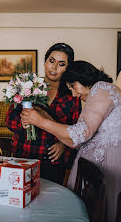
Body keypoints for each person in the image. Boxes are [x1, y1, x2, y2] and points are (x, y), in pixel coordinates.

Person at [20, 60, 121, 222]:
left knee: (107, 213)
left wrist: (40, 121)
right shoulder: (99, 91)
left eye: (72, 86)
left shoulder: (101, 89)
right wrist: (45, 118)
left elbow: (80, 134)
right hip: (103, 158)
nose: (74, 93)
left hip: (111, 160)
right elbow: (74, 141)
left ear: (82, 78)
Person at [6, 43, 81, 185]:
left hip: (51, 160)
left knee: (50, 201)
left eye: (61, 64)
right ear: (45, 62)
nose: (54, 67)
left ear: (67, 68)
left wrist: (63, 144)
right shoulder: (27, 86)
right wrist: (22, 123)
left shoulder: (72, 97)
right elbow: (9, 120)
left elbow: (77, 130)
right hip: (24, 155)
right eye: (51, 61)